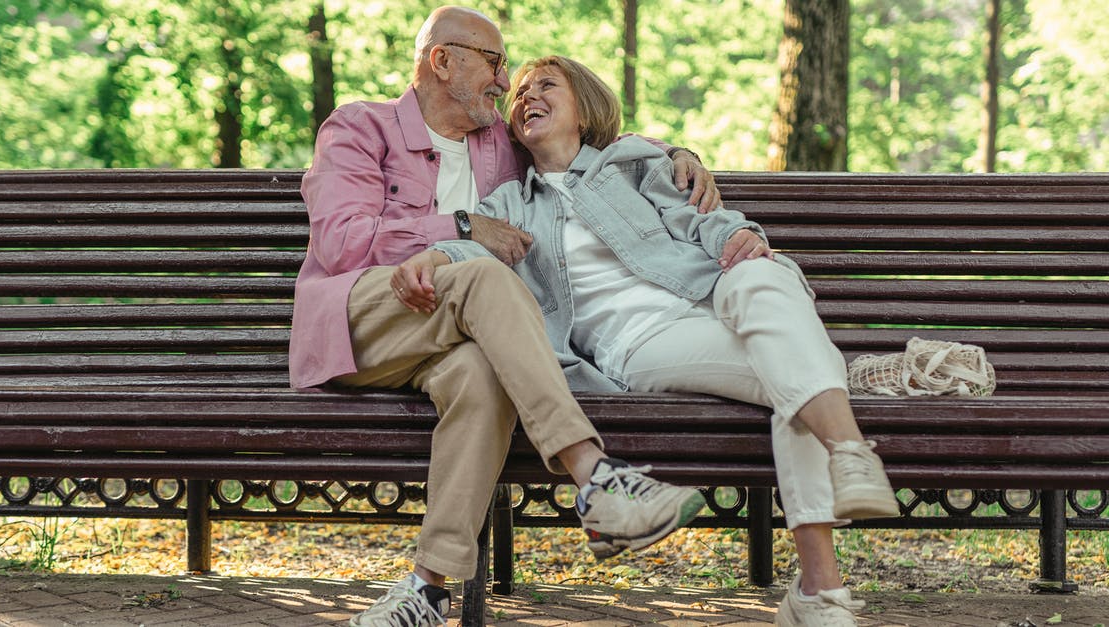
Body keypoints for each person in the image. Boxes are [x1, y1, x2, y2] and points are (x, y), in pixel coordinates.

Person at [393, 55, 901, 627]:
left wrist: (740, 233)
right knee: (796, 370)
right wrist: (435, 255)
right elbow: (472, 250)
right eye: (519, 95)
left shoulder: (635, 167)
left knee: (767, 272)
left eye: (546, 86)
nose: (527, 97)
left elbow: (702, 222)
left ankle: (840, 494)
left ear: (583, 109)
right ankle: (826, 570)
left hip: (713, 297)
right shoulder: (511, 204)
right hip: (640, 344)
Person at [290, 8, 718, 626]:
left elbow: (587, 142)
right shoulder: (361, 127)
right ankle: (596, 479)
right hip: (364, 322)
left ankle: (425, 590)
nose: (504, 80)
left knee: (486, 379)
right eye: (494, 63)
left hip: (450, 330)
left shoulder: (498, 143)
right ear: (443, 60)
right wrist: (461, 226)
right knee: (482, 272)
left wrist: (678, 152)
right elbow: (342, 242)